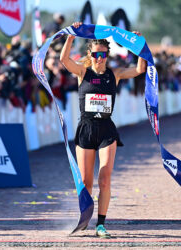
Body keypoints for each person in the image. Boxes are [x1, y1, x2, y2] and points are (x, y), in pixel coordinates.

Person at [59, 22, 146, 238]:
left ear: (107, 55)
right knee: (86, 182)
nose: (100, 59)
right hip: (86, 130)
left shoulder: (114, 74)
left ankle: (101, 224)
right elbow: (63, 60)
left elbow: (139, 69)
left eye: (104, 55)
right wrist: (70, 36)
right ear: (90, 54)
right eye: (96, 54)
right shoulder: (82, 72)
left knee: (105, 178)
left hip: (107, 130)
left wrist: (138, 47)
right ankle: (85, 218)